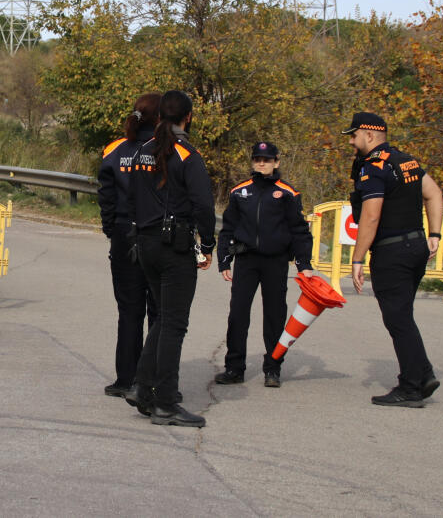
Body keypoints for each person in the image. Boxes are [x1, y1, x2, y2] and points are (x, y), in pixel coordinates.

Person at [124, 90, 216, 427]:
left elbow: (131, 197)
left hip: (145, 243)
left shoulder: (141, 151)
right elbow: (204, 205)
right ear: (188, 117)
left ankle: (141, 387)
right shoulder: (187, 154)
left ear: (160, 115)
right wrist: (208, 244)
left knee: (163, 318)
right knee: (175, 324)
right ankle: (165, 402)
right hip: (174, 246)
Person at [345, 111, 443, 408]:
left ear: (369, 135)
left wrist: (357, 259)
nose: (351, 142)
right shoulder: (406, 161)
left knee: (397, 319)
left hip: (392, 252)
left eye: (354, 136)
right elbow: (434, 193)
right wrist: (435, 234)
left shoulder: (374, 167)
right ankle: (423, 373)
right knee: (403, 316)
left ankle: (411, 387)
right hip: (416, 247)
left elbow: (371, 216)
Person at [213, 141, 315, 388]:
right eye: (257, 159)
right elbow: (228, 229)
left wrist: (304, 263)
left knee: (274, 316)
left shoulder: (287, 193)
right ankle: (234, 368)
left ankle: (273, 368)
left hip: (275, 262)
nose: (262, 163)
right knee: (238, 314)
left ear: (276, 162)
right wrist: (224, 260)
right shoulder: (239, 191)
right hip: (246, 260)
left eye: (267, 160)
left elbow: (299, 230)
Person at [96, 93, 161, 398]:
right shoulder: (166, 149)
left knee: (129, 310)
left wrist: (112, 230)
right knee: (159, 312)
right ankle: (153, 380)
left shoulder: (114, 149)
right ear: (160, 117)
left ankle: (126, 379)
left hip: (123, 235)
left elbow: (106, 195)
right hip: (157, 235)